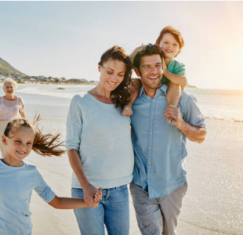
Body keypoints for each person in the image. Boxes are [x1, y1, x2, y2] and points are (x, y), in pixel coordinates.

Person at [0, 116, 102, 235]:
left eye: (28, 143)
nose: (23, 147)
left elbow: (56, 202)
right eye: (18, 141)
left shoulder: (32, 173)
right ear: (4, 140)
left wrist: (86, 202)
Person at [129, 44, 207, 235]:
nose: (154, 71)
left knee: (169, 233)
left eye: (158, 65)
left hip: (172, 184)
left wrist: (181, 124)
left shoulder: (182, 99)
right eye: (147, 67)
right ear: (138, 71)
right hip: (141, 185)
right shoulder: (131, 101)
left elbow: (201, 135)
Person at [66, 46, 135, 235]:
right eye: (109, 71)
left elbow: (141, 77)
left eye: (121, 74)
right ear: (99, 68)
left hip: (120, 189)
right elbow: (72, 147)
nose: (114, 78)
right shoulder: (80, 101)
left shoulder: (124, 102)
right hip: (87, 188)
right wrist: (85, 185)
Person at [122, 26, 187, 123]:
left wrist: (165, 72)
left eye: (175, 44)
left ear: (179, 50)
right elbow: (125, 66)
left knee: (175, 84)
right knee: (135, 82)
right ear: (158, 44)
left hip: (169, 91)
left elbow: (183, 81)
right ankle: (128, 105)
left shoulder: (177, 65)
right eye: (166, 42)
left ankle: (171, 109)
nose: (170, 46)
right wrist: (136, 51)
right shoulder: (150, 56)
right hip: (150, 87)